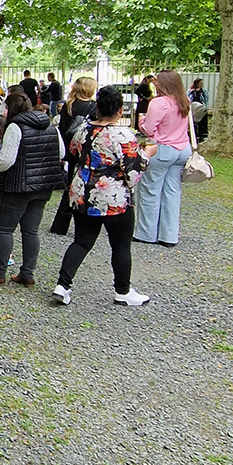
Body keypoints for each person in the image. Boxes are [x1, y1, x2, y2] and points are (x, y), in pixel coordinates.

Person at [52, 85, 150, 308]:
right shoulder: (123, 135)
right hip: (112, 197)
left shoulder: (83, 130)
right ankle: (122, 291)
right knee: (121, 245)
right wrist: (147, 155)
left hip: (82, 192)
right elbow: (133, 170)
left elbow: (73, 153)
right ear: (120, 110)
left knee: (82, 241)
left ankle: (63, 285)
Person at [0, 86, 64, 287]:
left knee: (5, 228)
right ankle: (27, 273)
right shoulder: (50, 125)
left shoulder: (15, 127)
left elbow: (7, 159)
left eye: (6, 108)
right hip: (43, 185)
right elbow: (61, 152)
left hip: (18, 185)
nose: (4, 112)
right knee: (31, 231)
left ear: (12, 109)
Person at [133, 69, 193, 248]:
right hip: (182, 149)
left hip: (162, 149)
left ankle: (146, 233)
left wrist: (141, 120)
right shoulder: (184, 100)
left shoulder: (158, 103)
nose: (155, 83)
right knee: (172, 192)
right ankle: (169, 235)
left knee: (150, 190)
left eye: (158, 81)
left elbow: (149, 129)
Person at [49, 76, 98, 235]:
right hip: (87, 150)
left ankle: (60, 224)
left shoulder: (68, 106)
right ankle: (85, 224)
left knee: (71, 185)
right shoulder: (93, 107)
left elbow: (63, 129)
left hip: (71, 149)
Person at [189, 77, 210, 144]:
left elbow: (206, 100)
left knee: (203, 121)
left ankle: (203, 133)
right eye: (200, 83)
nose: (202, 84)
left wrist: (205, 107)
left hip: (201, 108)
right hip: (194, 107)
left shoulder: (204, 91)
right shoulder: (191, 92)